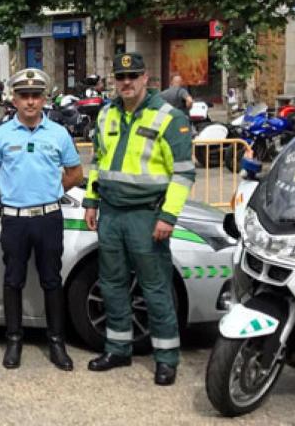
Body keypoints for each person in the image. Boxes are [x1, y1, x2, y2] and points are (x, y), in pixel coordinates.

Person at [83, 53, 195, 386]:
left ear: (146, 77)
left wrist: (168, 217)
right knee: (113, 284)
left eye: (133, 76)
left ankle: (166, 358)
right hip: (111, 213)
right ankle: (117, 349)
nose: (126, 82)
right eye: (120, 77)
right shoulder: (106, 114)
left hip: (147, 216)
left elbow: (184, 174)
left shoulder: (169, 118)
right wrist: (91, 201)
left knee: (155, 288)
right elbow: (99, 162)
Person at [0, 68, 83, 371]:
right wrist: (13, 194)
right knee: (13, 280)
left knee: (51, 280)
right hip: (14, 220)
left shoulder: (58, 134)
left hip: (48, 217)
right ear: (13, 99)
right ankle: (14, 340)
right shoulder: (0, 135)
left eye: (35, 96)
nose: (30, 102)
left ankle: (56, 343)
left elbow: (75, 173)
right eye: (24, 96)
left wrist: (51, 191)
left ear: (44, 99)